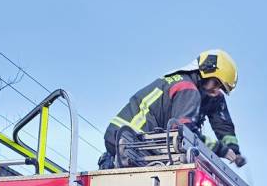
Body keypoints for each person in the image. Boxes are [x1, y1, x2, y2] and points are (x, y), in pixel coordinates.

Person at [100, 49, 245, 169]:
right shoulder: (188, 89)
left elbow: (222, 123)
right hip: (132, 141)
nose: (216, 91)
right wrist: (221, 150)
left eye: (221, 88)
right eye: (216, 83)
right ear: (206, 71)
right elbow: (184, 132)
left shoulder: (191, 84)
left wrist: (233, 150)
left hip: (124, 137)